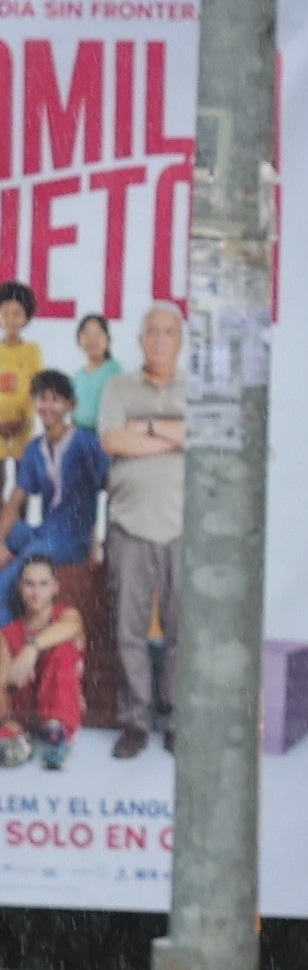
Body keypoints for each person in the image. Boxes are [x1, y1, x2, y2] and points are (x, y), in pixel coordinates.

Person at [97, 302, 186, 761]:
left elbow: (204, 435)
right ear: (139, 339)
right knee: (128, 629)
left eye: (167, 332)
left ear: (180, 340)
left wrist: (147, 426)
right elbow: (112, 440)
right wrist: (175, 434)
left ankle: (173, 720)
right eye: (151, 331)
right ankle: (134, 721)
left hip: (183, 528)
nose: (158, 339)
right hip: (129, 526)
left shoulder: (196, 388)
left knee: (180, 630)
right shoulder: (118, 386)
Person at [3, 370, 106, 624]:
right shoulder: (34, 447)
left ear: (70, 405)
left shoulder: (85, 441)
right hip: (45, 530)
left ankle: (6, 646)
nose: (47, 405)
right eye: (41, 398)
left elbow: (107, 487)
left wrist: (98, 543)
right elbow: (16, 501)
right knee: (16, 532)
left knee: (8, 582)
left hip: (72, 539)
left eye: (55, 399)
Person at [0, 554, 84, 769]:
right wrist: (7, 717)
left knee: (63, 648)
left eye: (43, 584)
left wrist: (31, 649)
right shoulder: (8, 632)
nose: (36, 593)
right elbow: (4, 683)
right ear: (20, 587)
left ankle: (55, 731)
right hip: (24, 712)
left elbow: (72, 627)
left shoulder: (67, 616)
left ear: (55, 587)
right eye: (29, 584)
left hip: (61, 714)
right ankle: (15, 737)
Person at [0, 283, 39, 465]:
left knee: (23, 477)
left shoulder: (32, 351)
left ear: (26, 318)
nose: (10, 319)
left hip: (22, 426)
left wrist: (24, 420)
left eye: (17, 313)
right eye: (5, 312)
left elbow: (37, 388)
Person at [68, 312, 118, 432]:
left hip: (105, 437)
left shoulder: (115, 371)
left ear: (108, 340)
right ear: (78, 341)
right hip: (79, 435)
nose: (92, 339)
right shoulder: (78, 376)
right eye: (87, 334)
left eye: (98, 334)